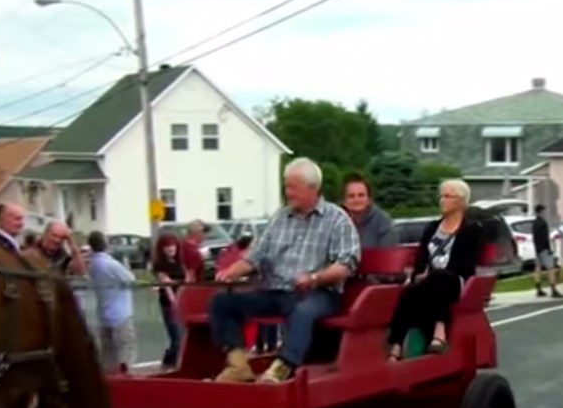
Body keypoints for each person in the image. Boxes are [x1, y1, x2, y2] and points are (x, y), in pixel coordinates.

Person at [210, 158, 361, 384]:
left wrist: (314, 277)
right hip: (276, 291)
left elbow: (346, 265)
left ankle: (283, 367)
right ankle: (238, 365)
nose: (287, 193)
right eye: (286, 186)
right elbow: (255, 255)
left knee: (303, 310)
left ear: (313, 189)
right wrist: (233, 271)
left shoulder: (337, 219)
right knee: (222, 302)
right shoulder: (280, 217)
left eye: (293, 187)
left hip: (318, 293)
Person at [386, 179, 482, 360]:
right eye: (441, 196)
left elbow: (465, 265)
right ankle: (396, 345)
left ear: (461, 202)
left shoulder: (471, 229)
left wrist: (430, 275)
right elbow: (422, 258)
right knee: (409, 291)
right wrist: (418, 274)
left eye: (447, 196)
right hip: (430, 282)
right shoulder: (431, 227)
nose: (442, 200)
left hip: (455, 281)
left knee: (440, 277)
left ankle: (440, 332)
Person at [85, 231, 137, 373]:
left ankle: (109, 382)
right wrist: (126, 266)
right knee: (125, 351)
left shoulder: (92, 264)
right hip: (121, 314)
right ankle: (127, 381)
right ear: (105, 243)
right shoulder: (111, 264)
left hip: (104, 314)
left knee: (107, 355)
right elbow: (130, 279)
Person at [152, 233, 186, 368]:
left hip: (182, 300)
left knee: (181, 335)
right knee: (176, 335)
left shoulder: (179, 262)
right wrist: (174, 301)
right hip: (168, 302)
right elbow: (166, 285)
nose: (171, 249)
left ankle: (170, 360)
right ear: (162, 249)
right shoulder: (160, 265)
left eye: (172, 245)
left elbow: (185, 280)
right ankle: (171, 362)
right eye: (167, 246)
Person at [342, 173, 396, 247]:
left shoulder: (383, 222)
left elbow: (389, 254)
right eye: (351, 196)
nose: (356, 200)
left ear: (369, 199)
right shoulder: (337, 222)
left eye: (361, 195)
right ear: (344, 201)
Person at [531, 204, 563, 298]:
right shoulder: (543, 223)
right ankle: (553, 290)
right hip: (544, 249)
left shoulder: (535, 223)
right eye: (544, 211)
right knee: (551, 269)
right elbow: (545, 238)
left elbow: (535, 237)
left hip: (537, 249)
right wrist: (549, 249)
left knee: (538, 268)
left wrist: (537, 249)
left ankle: (538, 288)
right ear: (541, 211)